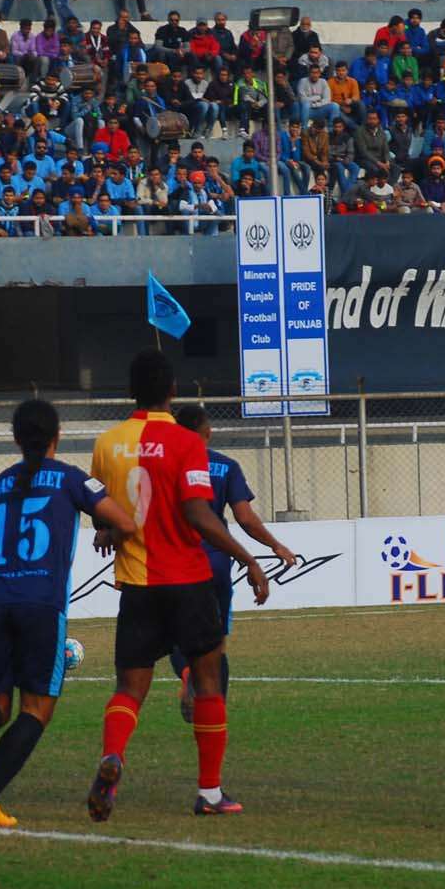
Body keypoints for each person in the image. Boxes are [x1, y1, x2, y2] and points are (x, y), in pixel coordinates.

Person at [86, 350, 270, 821]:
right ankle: (209, 793)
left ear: (130, 390)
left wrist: (108, 533)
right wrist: (246, 556)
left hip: (137, 587)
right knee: (208, 681)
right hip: (189, 581)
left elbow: (104, 515)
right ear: (172, 391)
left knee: (129, 687)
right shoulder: (186, 442)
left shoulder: (107, 445)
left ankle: (114, 757)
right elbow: (197, 512)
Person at [0, 400, 139, 828]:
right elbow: (125, 524)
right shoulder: (73, 480)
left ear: (16, 439)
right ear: (57, 435)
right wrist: (104, 531)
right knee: (36, 710)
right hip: (41, 605)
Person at [166, 404, 296, 723]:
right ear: (206, 432)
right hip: (217, 564)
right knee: (216, 644)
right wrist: (275, 545)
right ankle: (215, 711)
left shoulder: (165, 467)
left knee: (173, 636)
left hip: (176, 562)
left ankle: (186, 673)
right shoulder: (226, 466)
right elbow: (245, 518)